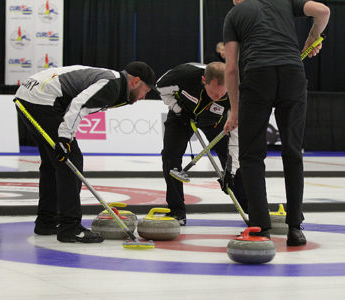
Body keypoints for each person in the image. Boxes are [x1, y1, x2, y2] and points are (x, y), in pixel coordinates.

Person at [223, 0, 330, 246]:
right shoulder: (283, 1)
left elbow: (230, 69)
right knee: (292, 152)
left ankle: (260, 228)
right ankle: (295, 228)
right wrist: (312, 38)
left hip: (258, 75)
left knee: (251, 156)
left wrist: (235, 110)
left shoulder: (235, 14)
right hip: (292, 73)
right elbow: (323, 11)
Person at [14, 62, 156, 243]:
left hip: (31, 95)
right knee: (70, 161)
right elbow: (79, 105)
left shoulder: (114, 82)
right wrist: (64, 138)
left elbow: (75, 105)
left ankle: (46, 222)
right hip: (40, 98)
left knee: (53, 163)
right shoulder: (112, 84)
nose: (144, 97)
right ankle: (70, 228)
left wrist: (64, 137)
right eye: (146, 91)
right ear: (136, 81)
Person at [157, 62, 247, 225]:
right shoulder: (183, 75)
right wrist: (177, 109)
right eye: (213, 94)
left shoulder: (237, 92)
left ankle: (252, 211)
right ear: (204, 80)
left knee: (234, 167)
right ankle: (177, 212)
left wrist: (230, 170)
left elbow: (235, 135)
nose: (218, 97)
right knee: (170, 157)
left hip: (216, 122)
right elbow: (161, 87)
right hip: (182, 114)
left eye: (221, 94)